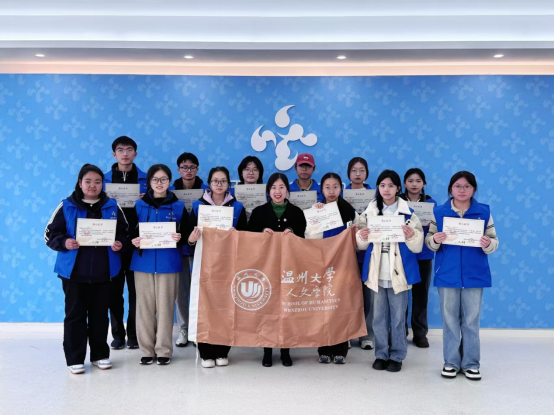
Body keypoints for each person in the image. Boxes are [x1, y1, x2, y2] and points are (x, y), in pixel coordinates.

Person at [45, 164, 130, 374]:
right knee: (75, 315)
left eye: (97, 182)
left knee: (100, 315)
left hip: (105, 272)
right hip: (74, 272)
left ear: (103, 184)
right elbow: (49, 233)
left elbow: (125, 233)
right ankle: (75, 358)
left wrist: (119, 243)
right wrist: (64, 242)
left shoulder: (112, 205)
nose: (93, 186)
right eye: (88, 181)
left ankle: (100, 355)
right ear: (80, 183)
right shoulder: (66, 205)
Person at [426, 171, 499, 381]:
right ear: (451, 188)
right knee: (449, 321)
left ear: (473, 189)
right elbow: (429, 241)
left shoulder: (483, 212)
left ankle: (471, 364)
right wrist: (436, 240)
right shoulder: (439, 212)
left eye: (467, 186)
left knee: (471, 321)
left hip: (475, 274)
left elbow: (494, 241)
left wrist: (488, 243)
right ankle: (450, 362)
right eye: (457, 186)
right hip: (446, 274)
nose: (462, 190)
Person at [356, 170, 424, 373]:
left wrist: (411, 236)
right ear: (378, 187)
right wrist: (363, 235)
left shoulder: (408, 214)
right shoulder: (369, 212)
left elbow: (417, 246)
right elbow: (359, 242)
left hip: (398, 272)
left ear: (398, 188)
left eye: (391, 185)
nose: (386, 189)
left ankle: (397, 355)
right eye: (382, 185)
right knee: (378, 317)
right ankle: (381, 354)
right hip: (377, 271)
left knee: (397, 317)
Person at [186, 167, 248, 369]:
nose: (219, 185)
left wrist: (237, 235)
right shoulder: (198, 206)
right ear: (209, 183)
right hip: (205, 261)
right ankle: (205, 351)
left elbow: (246, 236)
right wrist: (191, 238)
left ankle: (222, 350)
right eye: (215, 181)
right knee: (205, 305)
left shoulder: (237, 207)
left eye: (223, 181)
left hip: (229, 262)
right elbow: (188, 237)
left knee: (226, 305)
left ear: (228, 184)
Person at [130, 164, 188, 366]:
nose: (160, 183)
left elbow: (187, 234)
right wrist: (134, 240)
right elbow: (129, 232)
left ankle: (164, 350)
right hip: (143, 262)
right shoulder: (138, 205)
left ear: (169, 181)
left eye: (164, 179)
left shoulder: (179, 206)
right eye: (155, 179)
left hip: (169, 263)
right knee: (144, 308)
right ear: (149, 182)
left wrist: (180, 237)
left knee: (165, 308)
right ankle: (147, 351)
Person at [249, 173, 307, 368]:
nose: (277, 191)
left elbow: (305, 240)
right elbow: (248, 240)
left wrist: (294, 235)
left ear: (287, 191)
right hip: (266, 269)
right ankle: (267, 349)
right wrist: (261, 235)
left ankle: (285, 350)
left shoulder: (297, 213)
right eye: (273, 187)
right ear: (268, 191)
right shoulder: (258, 212)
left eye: (281, 187)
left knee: (287, 308)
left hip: (290, 269)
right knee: (267, 308)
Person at [307, 173, 363, 365]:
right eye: (327, 187)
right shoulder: (316, 210)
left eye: (335, 187)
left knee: (341, 306)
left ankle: (340, 348)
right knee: (323, 307)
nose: (331, 191)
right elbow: (309, 238)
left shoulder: (349, 210)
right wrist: (316, 216)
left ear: (341, 188)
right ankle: (324, 348)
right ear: (321, 189)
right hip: (322, 265)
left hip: (345, 265)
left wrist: (356, 233)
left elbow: (359, 239)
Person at [104, 136, 147, 350]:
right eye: (120, 150)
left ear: (135, 154)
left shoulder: (147, 180)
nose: (125, 153)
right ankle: (117, 334)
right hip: (113, 243)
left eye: (129, 149)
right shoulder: (103, 181)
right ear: (114, 154)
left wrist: (147, 199)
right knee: (114, 291)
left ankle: (134, 334)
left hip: (138, 243)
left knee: (136, 291)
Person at [171, 152, 208, 349]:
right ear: (179, 170)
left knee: (200, 290)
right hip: (178, 248)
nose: (188, 171)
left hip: (201, 246)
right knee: (181, 291)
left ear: (197, 169)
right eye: (184, 167)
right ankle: (184, 328)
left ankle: (198, 328)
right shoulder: (170, 191)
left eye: (192, 167)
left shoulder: (206, 191)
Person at [399, 168, 438, 349]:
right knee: (401, 295)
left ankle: (420, 333)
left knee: (421, 295)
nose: (414, 184)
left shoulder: (431, 203)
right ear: (404, 183)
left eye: (418, 181)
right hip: (402, 253)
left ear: (423, 184)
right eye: (410, 181)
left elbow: (437, 229)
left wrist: (432, 224)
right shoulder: (397, 202)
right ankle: (400, 332)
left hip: (423, 255)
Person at [346, 157, 375, 351]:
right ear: (348, 173)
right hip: (346, 254)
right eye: (354, 170)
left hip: (369, 253)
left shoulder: (375, 197)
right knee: (347, 294)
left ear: (367, 173)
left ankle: (367, 335)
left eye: (362, 170)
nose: (358, 174)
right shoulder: (340, 195)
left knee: (368, 296)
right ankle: (347, 333)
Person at [237, 156, 266, 221]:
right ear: (241, 172)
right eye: (247, 169)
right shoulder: (232, 193)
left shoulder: (268, 193)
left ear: (260, 173)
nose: (251, 173)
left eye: (255, 170)